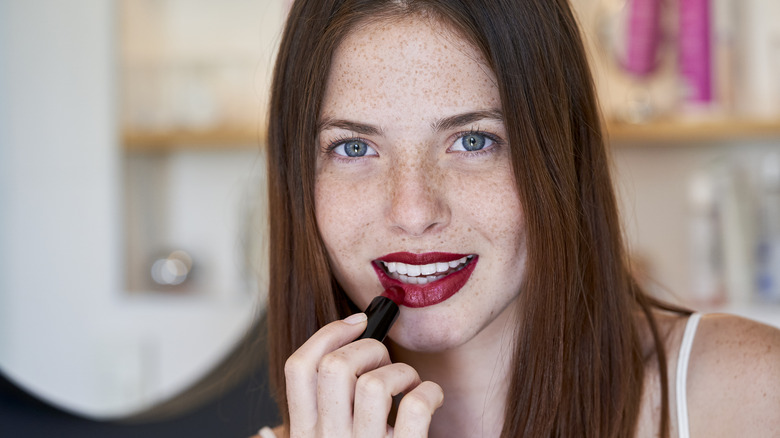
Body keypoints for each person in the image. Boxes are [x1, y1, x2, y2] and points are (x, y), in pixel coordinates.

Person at [257, 0, 780, 436]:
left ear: (561, 153)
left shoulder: (753, 396)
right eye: (353, 147)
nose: (413, 212)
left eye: (473, 141)